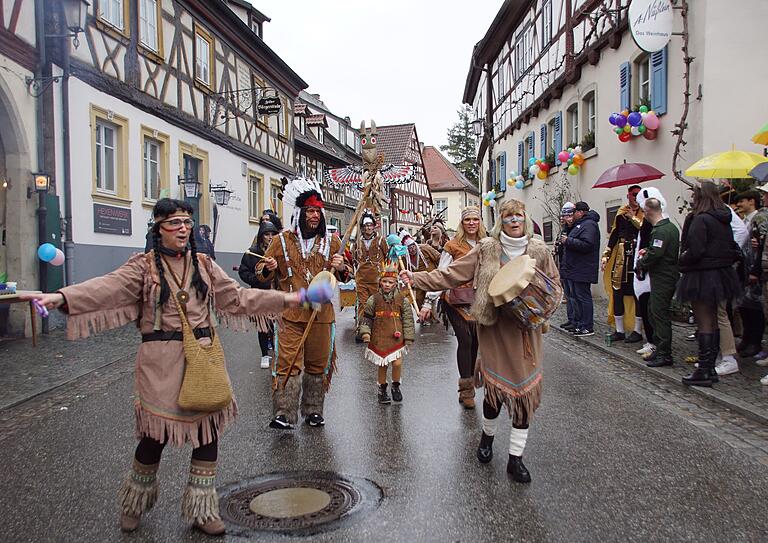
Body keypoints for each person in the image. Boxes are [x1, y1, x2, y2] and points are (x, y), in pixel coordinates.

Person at [22, 199, 300, 535]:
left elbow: (239, 299)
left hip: (205, 357)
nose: (183, 229)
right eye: (174, 223)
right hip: (160, 362)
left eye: (186, 222)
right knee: (154, 436)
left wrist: (286, 299)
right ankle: (135, 502)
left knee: (207, 433)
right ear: (158, 229)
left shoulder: (204, 265)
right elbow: (105, 289)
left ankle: (202, 508)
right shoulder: (142, 267)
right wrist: (62, 297)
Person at [401, 199, 559, 483]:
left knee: (524, 397)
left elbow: (555, 285)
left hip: (526, 332)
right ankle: (487, 438)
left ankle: (515, 458)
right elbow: (451, 273)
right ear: (501, 221)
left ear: (525, 219)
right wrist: (416, 278)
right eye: (508, 216)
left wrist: (544, 303)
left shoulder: (539, 250)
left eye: (518, 216)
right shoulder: (487, 249)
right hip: (495, 329)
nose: (513, 221)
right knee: (495, 394)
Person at [257, 177, 348, 429]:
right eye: (310, 211)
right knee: (288, 362)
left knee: (318, 364)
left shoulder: (333, 242)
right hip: (291, 314)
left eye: (318, 211)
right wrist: (268, 267)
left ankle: (313, 410)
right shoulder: (281, 241)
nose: (315, 216)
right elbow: (259, 269)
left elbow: (345, 274)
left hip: (321, 315)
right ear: (299, 213)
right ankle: (284, 413)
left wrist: (342, 268)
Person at [421, 206, 487, 408]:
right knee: (465, 340)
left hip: (478, 300)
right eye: (468, 220)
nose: (472, 223)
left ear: (480, 221)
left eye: (475, 219)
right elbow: (442, 273)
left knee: (476, 342)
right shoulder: (452, 245)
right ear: (462, 223)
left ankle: (471, 381)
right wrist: (428, 301)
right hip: (455, 299)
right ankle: (466, 391)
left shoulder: (487, 244)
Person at [677, 181, 741, 387]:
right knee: (714, 321)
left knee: (705, 322)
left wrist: (681, 260)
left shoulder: (701, 220)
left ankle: (705, 369)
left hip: (703, 275)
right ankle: (710, 368)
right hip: (721, 273)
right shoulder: (723, 219)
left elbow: (695, 250)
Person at [358, 262, 415, 404]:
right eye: (384, 281)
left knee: (397, 363)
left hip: (396, 337)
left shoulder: (402, 299)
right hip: (379, 337)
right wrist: (365, 333)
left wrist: (408, 337)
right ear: (380, 282)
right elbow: (367, 317)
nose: (387, 284)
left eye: (390, 282)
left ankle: (396, 386)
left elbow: (408, 319)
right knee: (382, 365)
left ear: (396, 283)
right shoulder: (374, 299)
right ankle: (382, 390)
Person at [635, 193, 679, 367]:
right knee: (654, 311)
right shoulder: (671, 228)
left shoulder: (661, 230)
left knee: (659, 314)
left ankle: (664, 352)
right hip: (664, 275)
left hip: (663, 276)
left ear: (648, 212)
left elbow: (657, 253)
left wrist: (641, 262)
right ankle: (660, 349)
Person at [601, 185, 648, 344]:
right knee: (618, 292)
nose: (635, 197)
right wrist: (606, 255)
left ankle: (637, 330)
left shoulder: (645, 214)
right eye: (633, 194)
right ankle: (619, 330)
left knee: (637, 293)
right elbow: (614, 235)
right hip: (621, 257)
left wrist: (633, 218)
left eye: (638, 194)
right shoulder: (621, 214)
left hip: (637, 257)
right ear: (628, 195)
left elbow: (645, 231)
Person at [239, 221, 279, 369]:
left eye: (273, 234)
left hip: (276, 294)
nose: (270, 237)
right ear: (261, 236)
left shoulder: (280, 251)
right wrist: (256, 279)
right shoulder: (252, 252)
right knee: (263, 326)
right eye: (267, 234)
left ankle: (278, 351)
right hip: (260, 294)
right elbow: (243, 272)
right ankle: (264, 354)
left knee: (278, 325)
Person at [560, 201, 600, 336]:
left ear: (581, 212)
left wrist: (568, 241)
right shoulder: (581, 224)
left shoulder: (589, 225)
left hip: (583, 268)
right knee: (577, 296)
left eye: (575, 211)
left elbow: (587, 244)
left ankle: (587, 326)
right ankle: (579, 323)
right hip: (575, 268)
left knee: (583, 297)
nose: (573, 214)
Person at [733, 190, 765, 359]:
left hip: (754, 268)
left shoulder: (759, 219)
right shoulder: (744, 220)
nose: (738, 205)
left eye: (742, 201)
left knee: (754, 307)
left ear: (751, 201)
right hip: (744, 267)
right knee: (744, 305)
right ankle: (746, 338)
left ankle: (755, 341)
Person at [353, 210, 389, 335]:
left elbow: (387, 256)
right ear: (362, 228)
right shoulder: (357, 242)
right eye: (366, 225)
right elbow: (353, 259)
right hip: (362, 279)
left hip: (376, 279)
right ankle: (363, 330)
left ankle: (378, 328)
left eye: (370, 225)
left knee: (376, 304)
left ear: (374, 226)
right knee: (363, 304)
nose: (368, 228)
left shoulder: (380, 240)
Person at [400, 231, 440, 310]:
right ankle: (423, 318)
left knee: (432, 299)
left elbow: (439, 258)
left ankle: (434, 318)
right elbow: (401, 271)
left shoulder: (425, 248)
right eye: (409, 248)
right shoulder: (404, 258)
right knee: (418, 300)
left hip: (431, 279)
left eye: (413, 246)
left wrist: (441, 272)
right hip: (417, 281)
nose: (412, 249)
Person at [556, 202, 576, 331]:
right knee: (568, 295)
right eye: (563, 216)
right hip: (564, 264)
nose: (564, 219)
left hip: (573, 266)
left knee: (575, 296)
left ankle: (576, 320)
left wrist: (566, 241)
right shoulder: (565, 228)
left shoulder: (574, 228)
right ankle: (571, 319)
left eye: (566, 216)